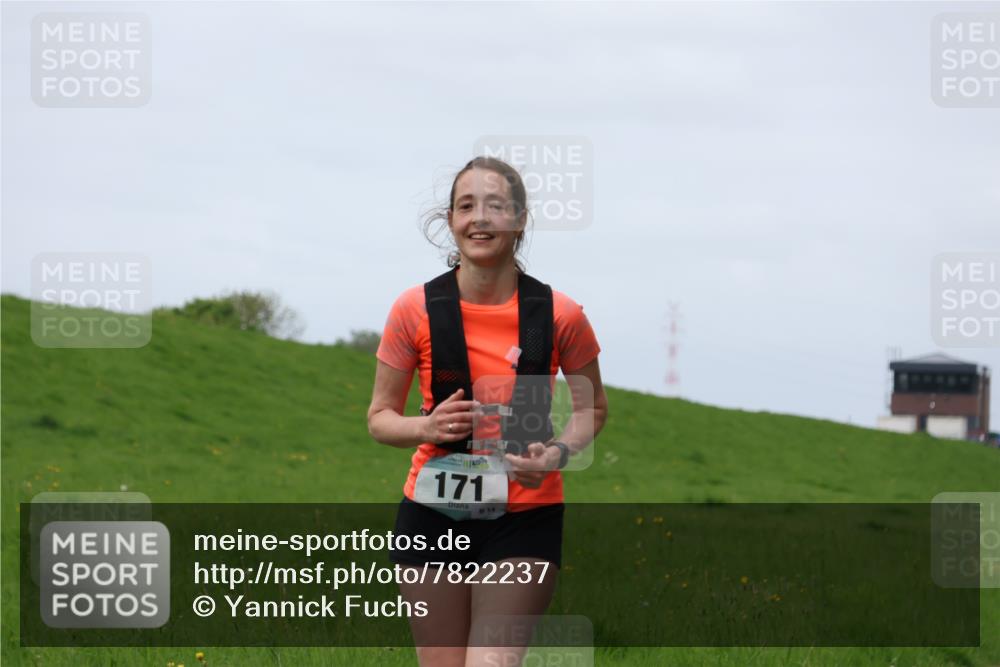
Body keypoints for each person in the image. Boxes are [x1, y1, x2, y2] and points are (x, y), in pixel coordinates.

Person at [367, 156, 608, 667]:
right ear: (450, 220)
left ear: (519, 220)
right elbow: (380, 418)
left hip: (525, 517)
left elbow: (593, 411)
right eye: (466, 206)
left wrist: (559, 452)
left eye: (495, 206)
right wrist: (425, 426)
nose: (479, 218)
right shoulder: (413, 309)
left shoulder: (561, 315)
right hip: (432, 512)